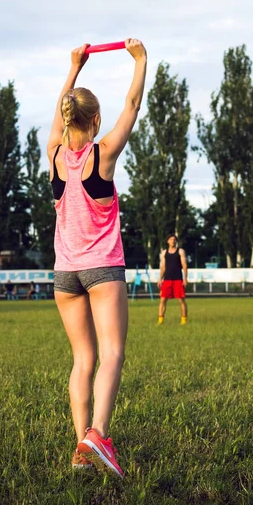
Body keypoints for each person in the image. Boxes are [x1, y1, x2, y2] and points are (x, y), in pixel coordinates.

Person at [47, 39, 147, 478]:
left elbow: (58, 113)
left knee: (82, 361)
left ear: (69, 117)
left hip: (64, 275)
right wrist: (141, 61)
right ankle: (98, 436)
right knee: (112, 355)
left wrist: (74, 68)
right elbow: (134, 104)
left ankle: (80, 450)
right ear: (96, 120)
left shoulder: (53, 154)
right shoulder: (102, 155)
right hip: (103, 269)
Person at [157, 234, 188, 325]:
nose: (173, 241)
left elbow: (184, 265)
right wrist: (160, 279)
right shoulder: (164, 253)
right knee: (162, 300)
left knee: (181, 300)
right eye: (171, 239)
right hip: (167, 279)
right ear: (168, 241)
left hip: (178, 279)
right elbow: (163, 267)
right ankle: (160, 321)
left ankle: (183, 321)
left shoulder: (180, 251)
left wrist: (185, 278)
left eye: (174, 239)